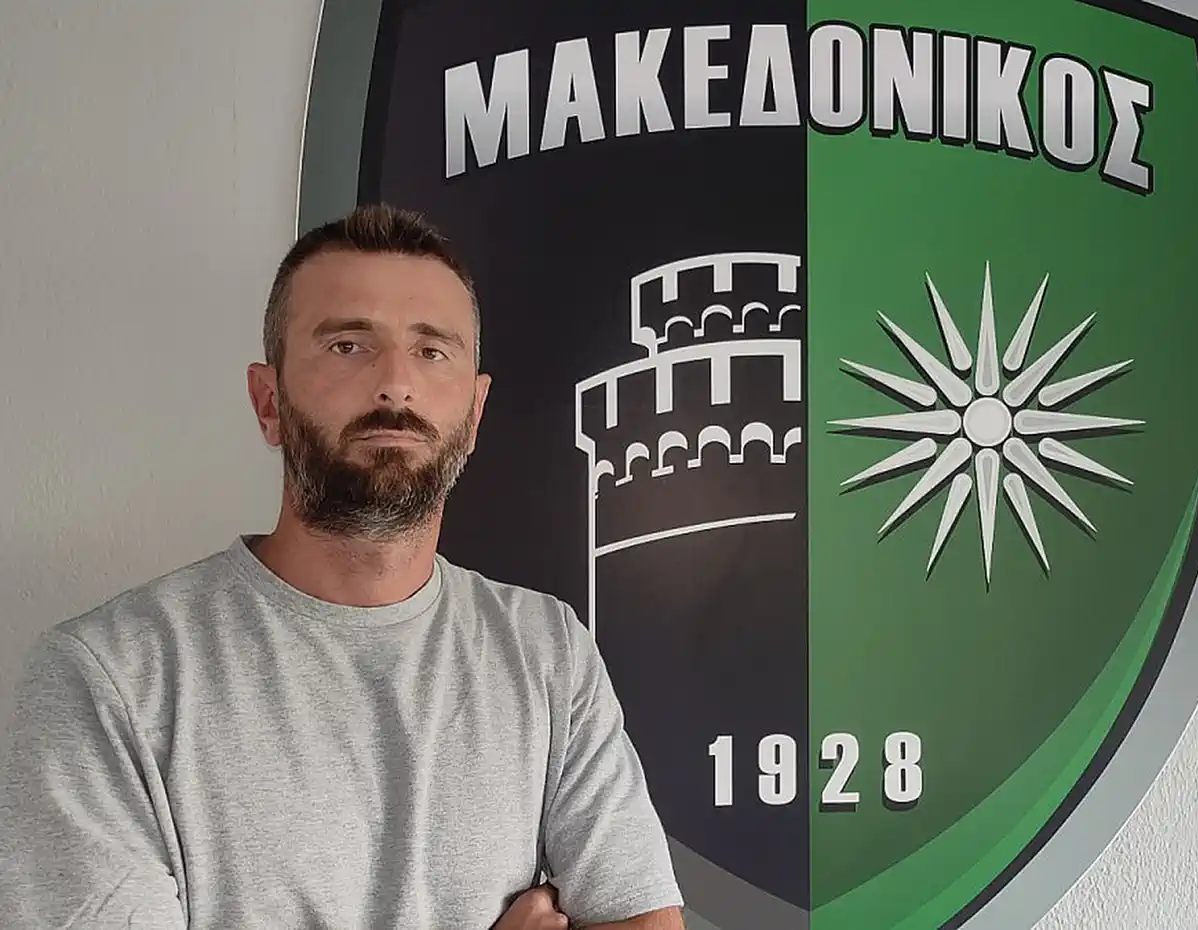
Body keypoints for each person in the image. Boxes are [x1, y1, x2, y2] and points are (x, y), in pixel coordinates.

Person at [0, 204, 686, 929]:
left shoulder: (547, 652)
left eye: (432, 351)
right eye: (348, 346)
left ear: (475, 413)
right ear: (269, 401)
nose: (395, 385)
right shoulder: (107, 677)